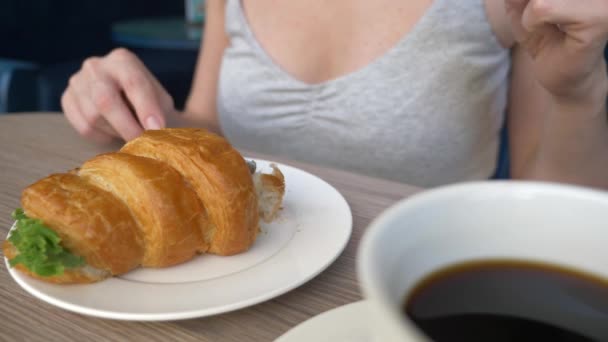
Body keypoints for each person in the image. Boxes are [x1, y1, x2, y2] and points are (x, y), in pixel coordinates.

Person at [60, 0, 608, 188]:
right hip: (241, 287)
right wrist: (133, 109)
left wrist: (579, 93)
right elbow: (208, 130)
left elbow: (555, 207)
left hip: (419, 295)